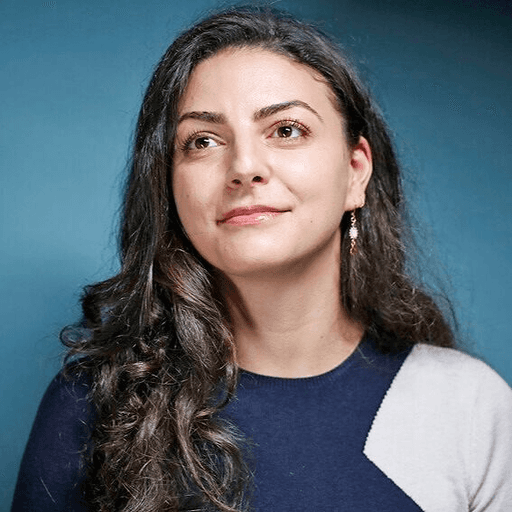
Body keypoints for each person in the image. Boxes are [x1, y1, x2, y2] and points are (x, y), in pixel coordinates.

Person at [12, 6, 512, 512]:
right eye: (202, 141)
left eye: (286, 130)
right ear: (168, 186)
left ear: (356, 171)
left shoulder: (468, 407)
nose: (244, 167)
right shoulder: (93, 405)